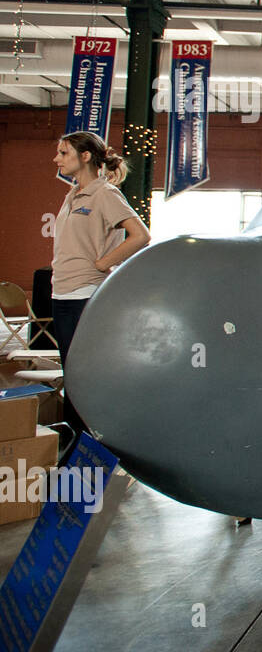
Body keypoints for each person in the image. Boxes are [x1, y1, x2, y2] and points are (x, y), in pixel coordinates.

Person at [50, 131, 150, 432]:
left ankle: (84, 445)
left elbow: (141, 235)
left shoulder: (104, 194)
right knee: (73, 374)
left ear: (85, 157)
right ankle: (74, 443)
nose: (57, 159)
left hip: (85, 294)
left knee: (83, 376)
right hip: (63, 293)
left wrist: (103, 264)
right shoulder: (73, 194)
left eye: (63, 153)